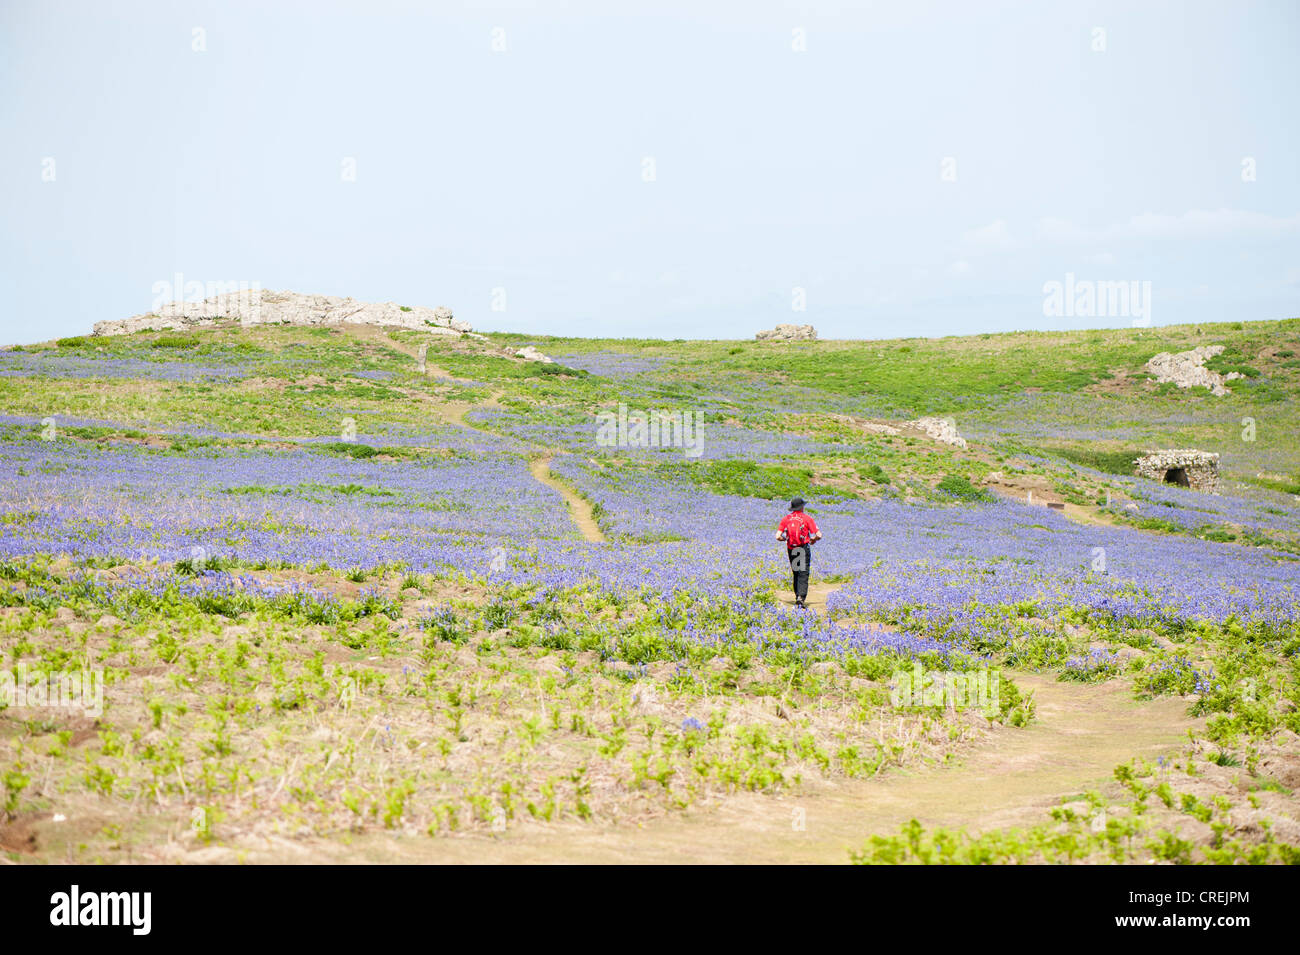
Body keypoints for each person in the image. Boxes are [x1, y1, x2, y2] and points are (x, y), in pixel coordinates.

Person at [776, 497, 821, 609]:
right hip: (803, 548)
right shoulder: (807, 518)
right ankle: (800, 598)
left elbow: (777, 536)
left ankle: (797, 596)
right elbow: (819, 534)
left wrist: (785, 539)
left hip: (792, 549)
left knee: (796, 572)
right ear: (802, 507)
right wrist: (813, 540)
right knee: (803, 573)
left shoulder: (786, 519)